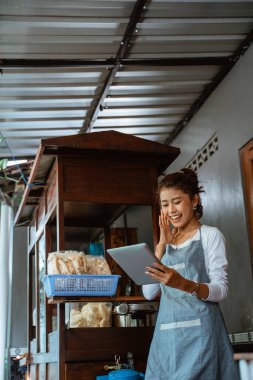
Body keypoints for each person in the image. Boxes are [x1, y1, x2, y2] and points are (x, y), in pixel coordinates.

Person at [143, 168, 240, 380]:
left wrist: (185, 284)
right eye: (165, 204)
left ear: (194, 200)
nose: (171, 210)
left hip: (202, 338)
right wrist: (160, 245)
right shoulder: (164, 245)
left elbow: (221, 290)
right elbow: (149, 293)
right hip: (166, 341)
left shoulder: (210, 236)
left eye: (177, 201)